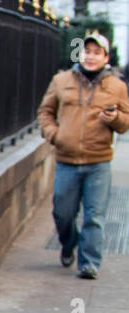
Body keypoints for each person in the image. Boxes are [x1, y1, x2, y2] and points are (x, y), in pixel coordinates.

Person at [37, 31, 129, 279]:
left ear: (105, 57)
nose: (91, 57)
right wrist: (54, 134)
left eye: (97, 53)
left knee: (94, 216)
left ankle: (89, 263)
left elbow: (125, 123)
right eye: (87, 51)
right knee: (62, 212)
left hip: (98, 161)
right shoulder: (61, 80)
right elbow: (45, 112)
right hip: (66, 159)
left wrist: (116, 118)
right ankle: (68, 243)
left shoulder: (117, 87)